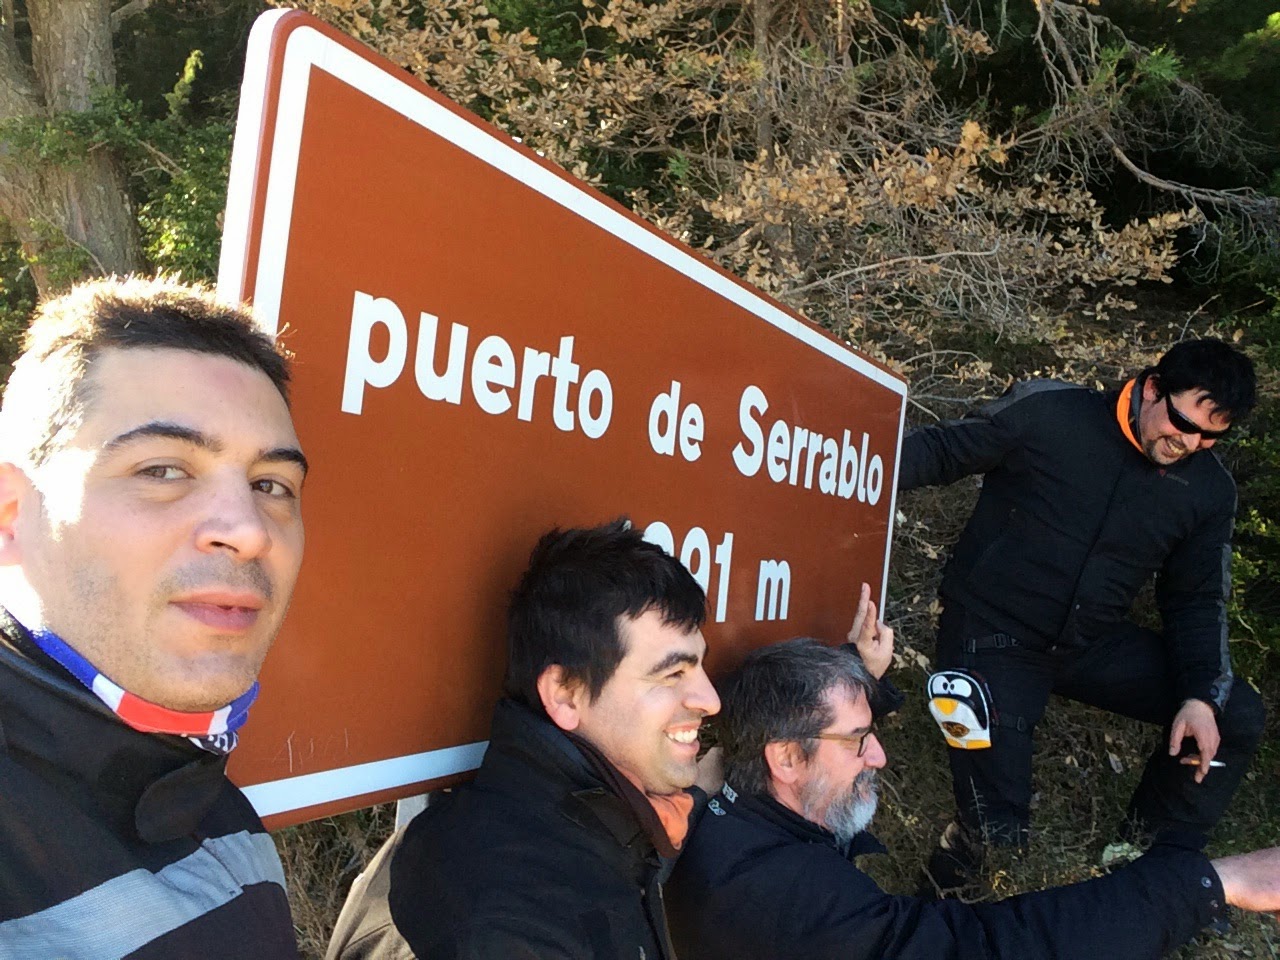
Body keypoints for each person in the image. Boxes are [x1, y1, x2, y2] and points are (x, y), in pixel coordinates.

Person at [0, 277, 307, 958]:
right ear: (11, 515)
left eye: (271, 485)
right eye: (163, 470)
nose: (249, 530)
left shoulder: (213, 800)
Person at [897, 339, 1266, 888]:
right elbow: (942, 451)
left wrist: (1199, 696)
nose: (1190, 443)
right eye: (1184, 423)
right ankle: (941, 910)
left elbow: (1196, 598)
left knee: (1232, 710)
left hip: (1089, 643)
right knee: (997, 838)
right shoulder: (1052, 412)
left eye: (1211, 436)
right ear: (1152, 389)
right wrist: (841, 470)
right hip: (992, 634)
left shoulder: (1209, 489)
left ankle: (1147, 870)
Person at [666, 639, 1280, 960]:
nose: (878, 757)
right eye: (858, 740)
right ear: (785, 758)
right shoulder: (782, 895)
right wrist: (1211, 883)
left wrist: (861, 670)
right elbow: (985, 950)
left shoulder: (739, 822)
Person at [327, 519, 722, 959]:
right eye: (672, 674)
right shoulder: (505, 920)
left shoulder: (598, 833)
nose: (710, 700)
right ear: (565, 694)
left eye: (700, 667)